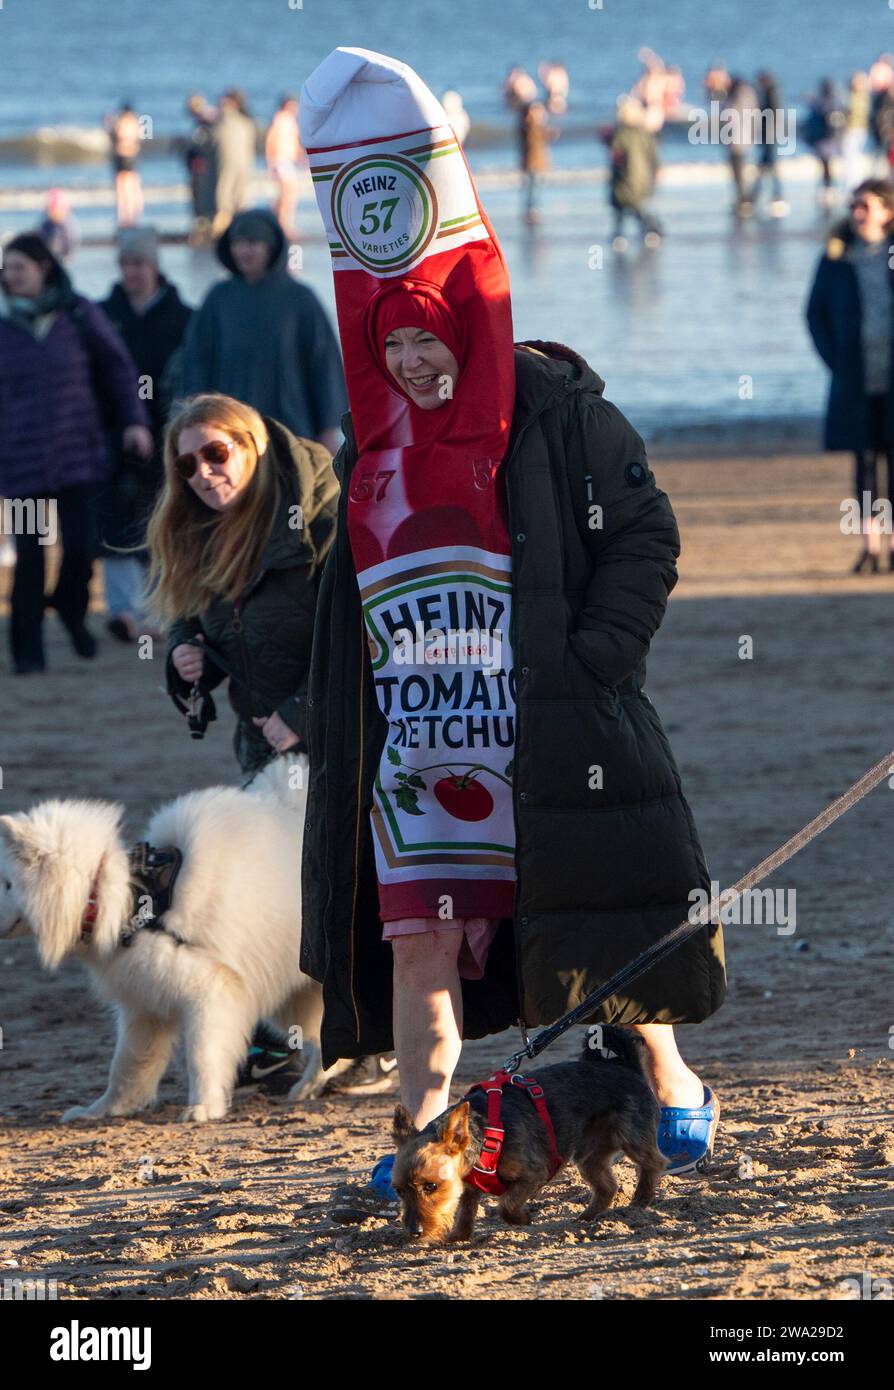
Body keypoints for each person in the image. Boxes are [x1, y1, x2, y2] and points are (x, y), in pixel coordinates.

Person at [299, 47, 725, 1214]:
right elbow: (349, 600)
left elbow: (646, 536)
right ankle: (426, 1135)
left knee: (588, 937)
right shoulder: (368, 444)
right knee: (419, 948)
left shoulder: (556, 405)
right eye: (393, 344)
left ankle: (670, 1074)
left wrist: (592, 665)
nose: (416, 359)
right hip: (422, 757)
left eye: (430, 334)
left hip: (552, 726)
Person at [150, 392, 393, 1094]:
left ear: (252, 446)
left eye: (216, 454)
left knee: (344, 886)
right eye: (188, 462)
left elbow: (360, 635)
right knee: (276, 892)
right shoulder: (195, 528)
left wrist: (304, 714)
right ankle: (285, 1043)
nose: (202, 473)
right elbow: (190, 618)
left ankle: (368, 1044)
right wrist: (185, 657)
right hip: (259, 748)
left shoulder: (318, 521)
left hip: (340, 736)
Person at [0, 233, 151, 673]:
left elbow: (119, 371)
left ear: (44, 268)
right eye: (7, 269)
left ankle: (71, 609)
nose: (10, 276)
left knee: (82, 549)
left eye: (19, 268)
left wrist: (136, 422)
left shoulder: (79, 313)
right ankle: (28, 652)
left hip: (79, 459)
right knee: (28, 556)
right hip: (20, 464)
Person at [179, 208, 346, 455]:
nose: (244, 251)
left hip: (292, 429)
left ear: (271, 246)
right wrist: (195, 418)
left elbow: (324, 366)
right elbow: (196, 361)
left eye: (253, 242)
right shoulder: (219, 299)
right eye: (238, 243)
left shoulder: (299, 299)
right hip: (230, 429)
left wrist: (328, 429)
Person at [98, 226, 192, 641]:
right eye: (125, 263)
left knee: (161, 515)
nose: (131, 271)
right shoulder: (102, 315)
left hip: (170, 430)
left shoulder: (183, 316)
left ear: (155, 266)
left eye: (139, 263)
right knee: (115, 516)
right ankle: (122, 610)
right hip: (113, 431)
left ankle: (156, 611)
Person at [807, 179, 894, 573]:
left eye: (866, 205)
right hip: (855, 379)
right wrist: (836, 360)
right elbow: (815, 313)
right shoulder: (836, 257)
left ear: (887, 211)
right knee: (863, 462)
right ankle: (869, 546)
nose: (857, 212)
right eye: (854, 205)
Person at [608, 96, 662, 250]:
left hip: (625, 177)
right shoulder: (644, 133)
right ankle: (651, 232)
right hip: (642, 178)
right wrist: (655, 173)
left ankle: (620, 236)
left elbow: (616, 154)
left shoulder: (621, 133)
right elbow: (654, 157)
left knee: (624, 209)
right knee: (639, 207)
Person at [212, 89, 257, 236]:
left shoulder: (226, 120)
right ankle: (239, 227)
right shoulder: (247, 122)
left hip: (233, 164)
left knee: (226, 194)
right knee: (238, 195)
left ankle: (225, 228)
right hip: (242, 163)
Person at [751, 71, 788, 217]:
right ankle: (763, 196)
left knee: (769, 168)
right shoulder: (771, 92)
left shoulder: (771, 93)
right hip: (770, 136)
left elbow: (769, 115)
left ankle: (774, 196)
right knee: (767, 168)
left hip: (770, 137)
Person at [265, 94, 303, 236]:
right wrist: (271, 160)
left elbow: (293, 141)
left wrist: (300, 155)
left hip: (286, 160)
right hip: (280, 160)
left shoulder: (290, 120)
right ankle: (284, 224)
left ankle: (278, 221)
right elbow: (271, 139)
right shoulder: (280, 118)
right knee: (289, 192)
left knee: (287, 193)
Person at [804, 79, 845, 206]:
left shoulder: (826, 102)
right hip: (826, 140)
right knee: (826, 165)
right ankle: (829, 188)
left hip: (826, 140)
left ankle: (829, 189)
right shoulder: (834, 101)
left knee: (826, 165)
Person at [184, 94, 218, 244]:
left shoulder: (206, 123)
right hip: (199, 168)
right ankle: (203, 224)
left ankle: (205, 226)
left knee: (203, 196)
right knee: (199, 196)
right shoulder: (200, 124)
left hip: (203, 168)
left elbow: (205, 147)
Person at [723, 76, 758, 216]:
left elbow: (730, 115)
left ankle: (743, 201)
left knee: (738, 173)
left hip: (737, 140)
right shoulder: (750, 96)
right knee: (741, 172)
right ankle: (744, 200)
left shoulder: (738, 97)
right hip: (744, 139)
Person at [106, 102, 143, 227]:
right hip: (132, 156)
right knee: (132, 186)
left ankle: (125, 216)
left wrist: (110, 124)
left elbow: (117, 136)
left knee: (123, 187)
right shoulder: (136, 122)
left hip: (123, 156)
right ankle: (132, 214)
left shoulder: (123, 122)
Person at [517, 99, 552, 225]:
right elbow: (531, 140)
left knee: (536, 187)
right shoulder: (528, 127)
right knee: (532, 188)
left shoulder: (538, 127)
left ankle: (534, 209)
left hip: (539, 163)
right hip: (531, 163)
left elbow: (547, 137)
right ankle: (531, 209)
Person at [842, 73, 871, 192]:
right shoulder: (865, 98)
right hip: (858, 131)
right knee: (854, 158)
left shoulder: (855, 99)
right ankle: (854, 183)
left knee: (853, 158)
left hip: (855, 130)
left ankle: (855, 184)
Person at [39, 189, 79, 260]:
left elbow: (71, 242)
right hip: (48, 254)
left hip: (62, 254)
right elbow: (40, 237)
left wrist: (67, 255)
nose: (54, 213)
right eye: (51, 210)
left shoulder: (67, 225)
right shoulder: (46, 224)